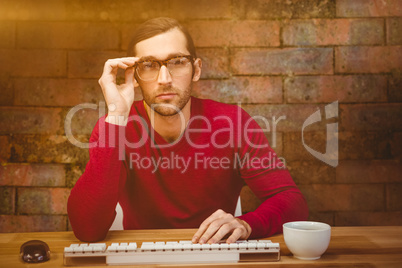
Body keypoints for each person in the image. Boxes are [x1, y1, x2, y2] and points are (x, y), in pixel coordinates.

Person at [67, 17, 308, 243]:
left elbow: (292, 202)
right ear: (136, 77)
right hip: (142, 259)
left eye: (177, 62)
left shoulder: (234, 124)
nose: (164, 79)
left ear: (197, 69)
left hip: (215, 257)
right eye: (149, 65)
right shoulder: (115, 126)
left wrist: (247, 225)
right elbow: (87, 229)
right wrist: (116, 116)